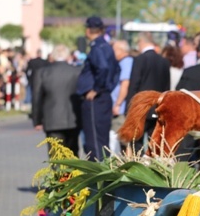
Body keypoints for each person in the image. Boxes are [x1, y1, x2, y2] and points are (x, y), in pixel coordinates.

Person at [76, 16, 120, 161]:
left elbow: (103, 67)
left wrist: (97, 89)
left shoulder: (97, 47)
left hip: (95, 101)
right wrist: (108, 88)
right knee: (102, 141)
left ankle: (98, 178)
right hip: (103, 98)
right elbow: (116, 71)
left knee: (94, 142)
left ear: (88, 30)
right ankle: (104, 173)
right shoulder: (107, 46)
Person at [32, 44, 82, 157]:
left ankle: (59, 175)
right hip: (73, 119)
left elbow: (37, 98)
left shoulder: (42, 72)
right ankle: (74, 175)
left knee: (56, 156)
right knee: (73, 154)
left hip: (52, 120)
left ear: (52, 56)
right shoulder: (77, 71)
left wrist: (37, 120)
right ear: (68, 56)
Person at [125, 31, 170, 154]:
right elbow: (167, 87)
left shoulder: (140, 60)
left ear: (141, 42)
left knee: (136, 144)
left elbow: (134, 84)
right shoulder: (164, 61)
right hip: (158, 106)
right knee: (155, 143)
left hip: (142, 108)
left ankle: (136, 169)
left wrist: (129, 107)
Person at [110, 39, 133, 155]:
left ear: (120, 50)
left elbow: (125, 84)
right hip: (119, 107)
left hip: (120, 108)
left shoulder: (126, 62)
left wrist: (118, 104)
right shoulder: (122, 62)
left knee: (124, 140)